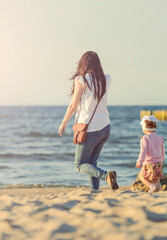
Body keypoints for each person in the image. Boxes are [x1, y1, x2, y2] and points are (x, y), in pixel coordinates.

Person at [58, 51, 119, 191]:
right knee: (92, 162)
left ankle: (106, 176)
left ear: (83, 64)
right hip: (105, 127)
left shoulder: (81, 80)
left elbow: (73, 105)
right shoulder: (106, 79)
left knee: (80, 164)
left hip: (90, 129)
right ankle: (95, 191)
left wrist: (64, 122)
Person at [135, 115, 165, 193]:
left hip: (149, 163)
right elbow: (162, 150)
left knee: (142, 177)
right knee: (156, 178)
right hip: (158, 163)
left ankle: (151, 187)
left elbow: (143, 151)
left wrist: (139, 161)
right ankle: (157, 189)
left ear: (144, 128)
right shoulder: (159, 138)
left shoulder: (145, 138)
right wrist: (162, 159)